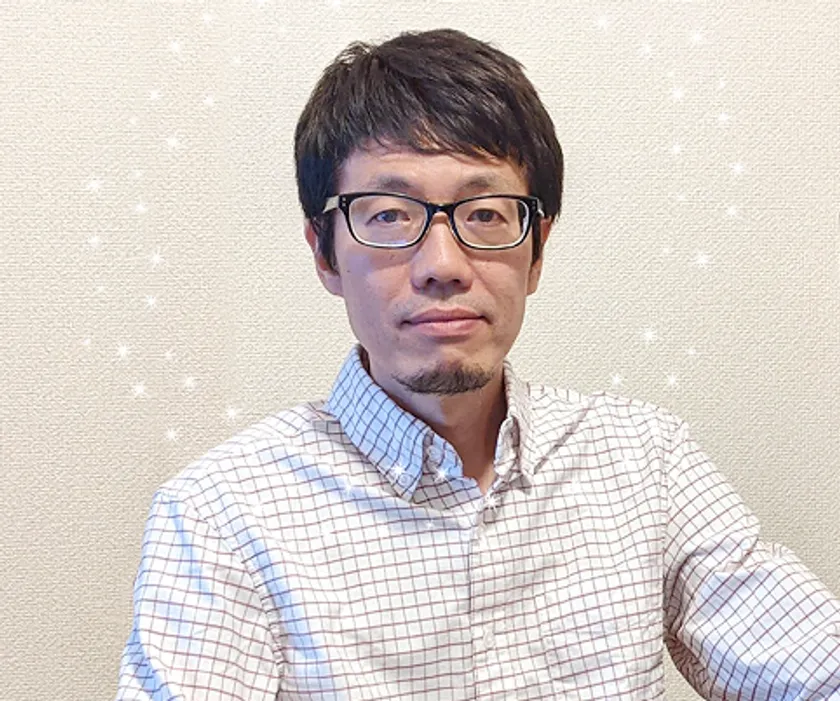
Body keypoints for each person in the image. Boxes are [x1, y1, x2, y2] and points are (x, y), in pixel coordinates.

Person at [115, 28, 840, 700]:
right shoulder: (221, 514)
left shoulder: (644, 462)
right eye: (389, 214)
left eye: (486, 214)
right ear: (324, 252)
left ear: (537, 249)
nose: (443, 264)